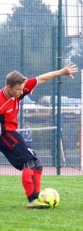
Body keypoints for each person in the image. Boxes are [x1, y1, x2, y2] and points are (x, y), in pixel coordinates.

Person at [0, 63, 78, 209]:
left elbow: (41, 79)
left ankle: (36, 198)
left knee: (37, 163)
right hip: (5, 135)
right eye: (18, 90)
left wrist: (62, 72)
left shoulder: (20, 87)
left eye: (22, 88)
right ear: (9, 87)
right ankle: (32, 200)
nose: (22, 92)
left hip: (12, 133)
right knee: (28, 161)